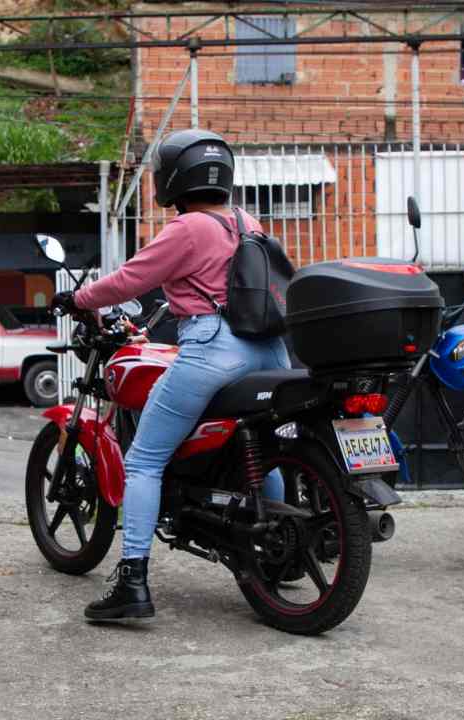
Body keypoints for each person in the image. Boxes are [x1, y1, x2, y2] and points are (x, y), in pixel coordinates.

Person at [52, 129, 291, 622]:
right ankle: (275, 555)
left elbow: (129, 280)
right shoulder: (249, 223)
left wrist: (77, 299)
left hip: (214, 351)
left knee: (143, 461)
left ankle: (133, 581)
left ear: (173, 179)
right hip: (272, 352)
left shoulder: (188, 229)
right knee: (264, 456)